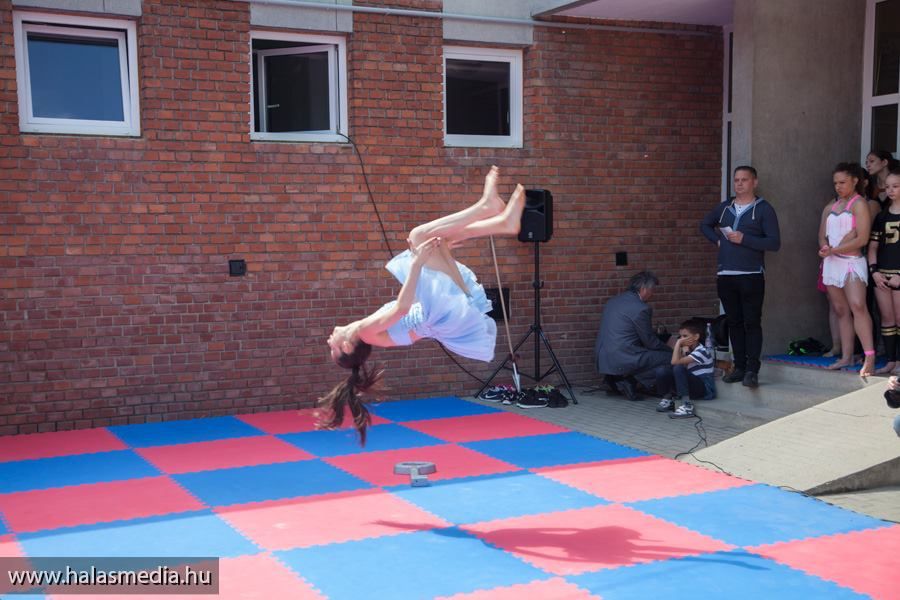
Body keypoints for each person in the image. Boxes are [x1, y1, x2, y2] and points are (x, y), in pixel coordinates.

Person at [321, 166, 526, 442]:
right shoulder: (367, 332)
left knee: (438, 240)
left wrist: (439, 258)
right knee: (419, 236)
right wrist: (417, 264)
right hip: (444, 313)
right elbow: (402, 308)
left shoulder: (375, 336)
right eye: (333, 347)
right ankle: (485, 207)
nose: (329, 340)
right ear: (347, 346)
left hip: (446, 314)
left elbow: (413, 319)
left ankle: (502, 223)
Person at [700, 166, 781, 389]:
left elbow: (774, 243)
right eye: (736, 180)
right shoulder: (724, 207)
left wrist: (745, 239)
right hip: (725, 274)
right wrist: (717, 240)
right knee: (734, 322)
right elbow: (704, 224)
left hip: (751, 274)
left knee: (751, 322)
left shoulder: (764, 209)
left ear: (754, 182)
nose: (739, 184)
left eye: (744, 180)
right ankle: (739, 367)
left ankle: (752, 370)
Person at [819, 162, 876, 376]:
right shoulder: (830, 207)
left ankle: (869, 356)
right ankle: (846, 356)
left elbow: (862, 238)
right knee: (841, 310)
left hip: (851, 262)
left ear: (855, 181)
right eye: (835, 183)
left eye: (842, 182)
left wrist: (834, 249)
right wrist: (825, 248)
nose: (838, 186)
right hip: (832, 263)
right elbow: (821, 236)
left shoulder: (859, 204)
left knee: (858, 306)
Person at [594, 271, 672, 401]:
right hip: (622, 356)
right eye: (652, 290)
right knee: (669, 358)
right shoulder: (641, 308)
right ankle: (630, 380)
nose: (652, 294)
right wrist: (670, 349)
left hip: (603, 356)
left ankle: (615, 378)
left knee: (648, 355)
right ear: (644, 289)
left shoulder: (613, 301)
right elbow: (650, 342)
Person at [868, 168, 900, 374]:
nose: (890, 190)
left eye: (895, 186)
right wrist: (874, 271)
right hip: (882, 274)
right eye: (887, 187)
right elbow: (872, 247)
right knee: (887, 319)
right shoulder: (881, 216)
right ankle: (891, 361)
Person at [654, 319, 716, 419]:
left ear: (696, 337)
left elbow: (675, 362)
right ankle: (668, 399)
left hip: (705, 390)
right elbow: (676, 366)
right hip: (692, 386)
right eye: (680, 336)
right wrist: (682, 351)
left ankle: (687, 406)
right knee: (662, 371)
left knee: (678, 367)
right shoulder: (688, 350)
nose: (682, 339)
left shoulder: (702, 351)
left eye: (685, 336)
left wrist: (678, 343)